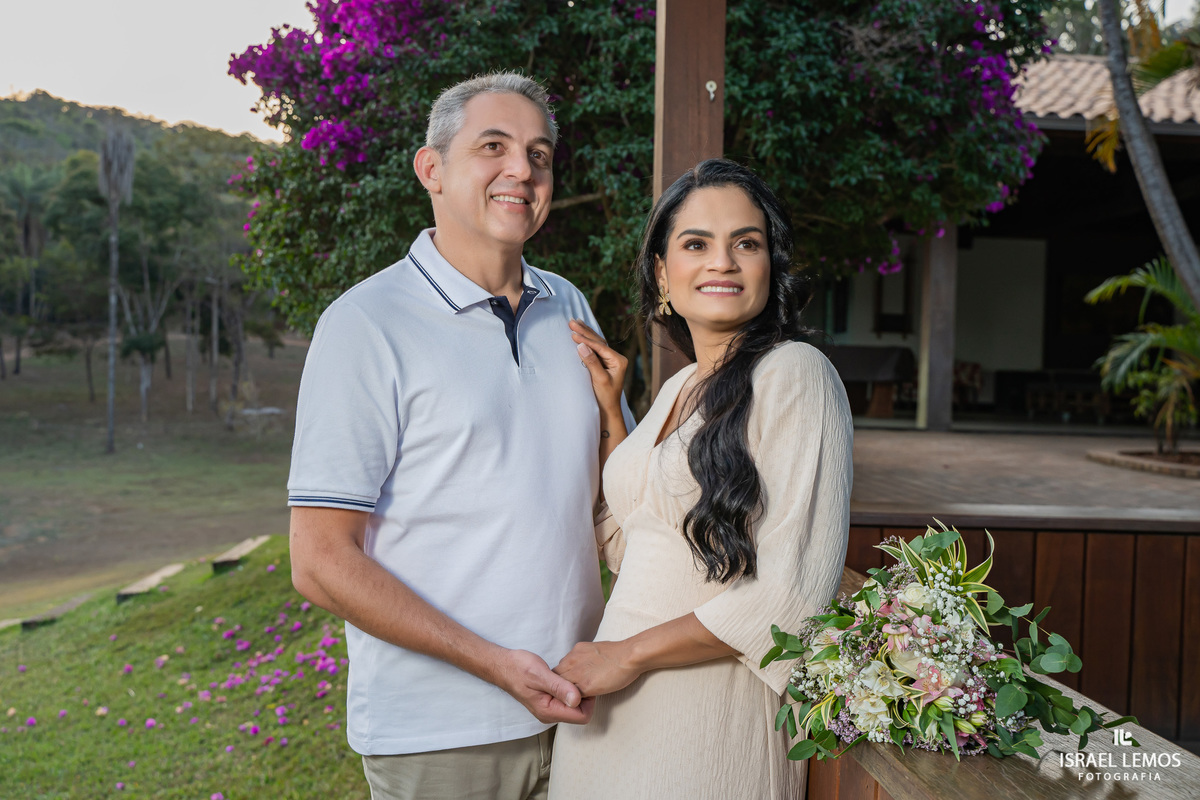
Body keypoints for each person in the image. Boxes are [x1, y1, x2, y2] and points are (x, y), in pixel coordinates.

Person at [287, 72, 629, 800]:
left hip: (579, 710)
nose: (522, 171)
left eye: (539, 154)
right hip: (440, 734)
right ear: (432, 169)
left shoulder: (565, 302)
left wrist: (612, 416)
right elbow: (318, 562)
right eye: (494, 147)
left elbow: (601, 506)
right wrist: (499, 665)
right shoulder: (365, 325)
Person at [548, 159, 854, 799]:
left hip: (703, 723)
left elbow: (790, 600)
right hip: (606, 726)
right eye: (696, 244)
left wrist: (625, 655)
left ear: (771, 265)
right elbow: (625, 547)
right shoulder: (680, 389)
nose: (724, 261)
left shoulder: (796, 373)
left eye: (747, 243)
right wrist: (613, 411)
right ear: (663, 272)